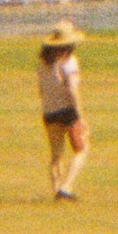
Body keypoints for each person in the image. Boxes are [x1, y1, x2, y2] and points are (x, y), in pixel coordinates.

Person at [37, 20, 90, 201]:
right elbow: (72, 90)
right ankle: (66, 188)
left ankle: (56, 189)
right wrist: (80, 116)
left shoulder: (43, 63)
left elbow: (41, 89)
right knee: (81, 150)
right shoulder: (69, 62)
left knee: (56, 155)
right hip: (67, 110)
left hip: (49, 111)